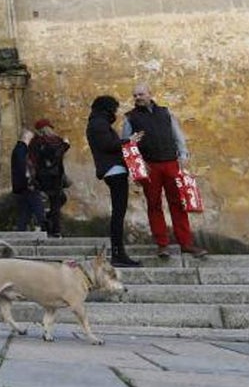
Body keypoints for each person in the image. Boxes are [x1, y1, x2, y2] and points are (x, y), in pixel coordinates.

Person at [121, 83, 208, 259]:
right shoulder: (130, 118)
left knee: (178, 204)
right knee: (154, 205)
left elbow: (178, 135)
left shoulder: (166, 113)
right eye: (135, 95)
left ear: (150, 94)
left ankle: (186, 243)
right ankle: (162, 245)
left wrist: (183, 154)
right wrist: (137, 166)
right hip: (149, 167)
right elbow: (127, 145)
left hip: (171, 164)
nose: (138, 98)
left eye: (141, 94)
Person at [85, 95, 142, 267]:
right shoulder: (98, 124)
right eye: (114, 108)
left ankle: (119, 253)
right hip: (113, 170)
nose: (116, 112)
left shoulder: (98, 122)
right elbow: (108, 145)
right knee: (118, 213)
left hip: (113, 170)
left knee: (119, 212)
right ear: (108, 108)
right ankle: (118, 254)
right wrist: (128, 141)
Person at [29, 119, 70, 238]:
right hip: (53, 176)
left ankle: (48, 224)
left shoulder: (37, 142)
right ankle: (54, 228)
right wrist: (66, 145)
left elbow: (34, 159)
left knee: (51, 201)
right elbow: (56, 154)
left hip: (44, 176)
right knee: (56, 201)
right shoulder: (57, 142)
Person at [10, 128, 45, 232]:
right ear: (26, 137)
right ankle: (48, 229)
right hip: (27, 185)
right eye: (31, 137)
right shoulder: (21, 149)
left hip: (22, 186)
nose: (32, 140)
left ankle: (21, 231)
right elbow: (23, 166)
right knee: (38, 208)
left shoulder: (19, 149)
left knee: (25, 212)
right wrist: (29, 180)